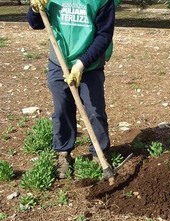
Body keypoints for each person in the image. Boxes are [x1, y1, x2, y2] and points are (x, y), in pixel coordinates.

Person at [27, 0, 117, 178]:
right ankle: (63, 154)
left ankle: (99, 154)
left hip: (89, 65)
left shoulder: (102, 1)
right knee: (62, 109)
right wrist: (34, 10)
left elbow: (104, 35)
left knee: (94, 110)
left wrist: (81, 65)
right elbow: (35, 24)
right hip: (59, 62)